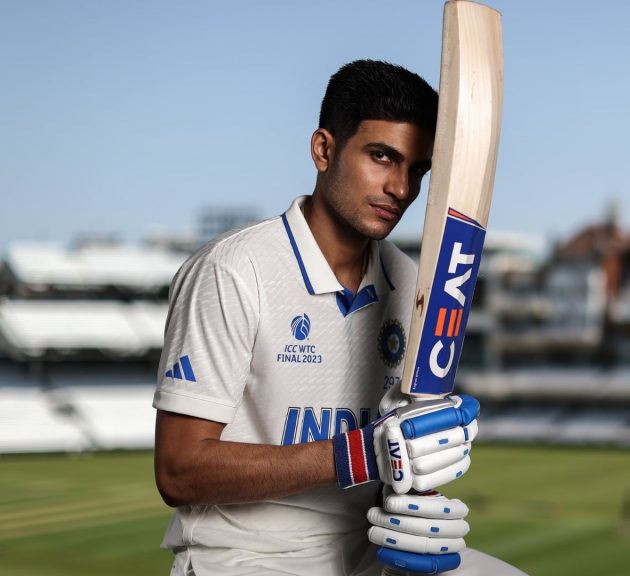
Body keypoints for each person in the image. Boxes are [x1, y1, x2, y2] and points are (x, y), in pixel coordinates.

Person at [153, 60, 525, 576]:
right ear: (324, 150)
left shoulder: (413, 285)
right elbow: (179, 471)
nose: (401, 189)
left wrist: (424, 485)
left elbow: (401, 450)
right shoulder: (234, 269)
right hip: (247, 559)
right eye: (382, 157)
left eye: (418, 171)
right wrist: (360, 455)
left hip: (372, 550)